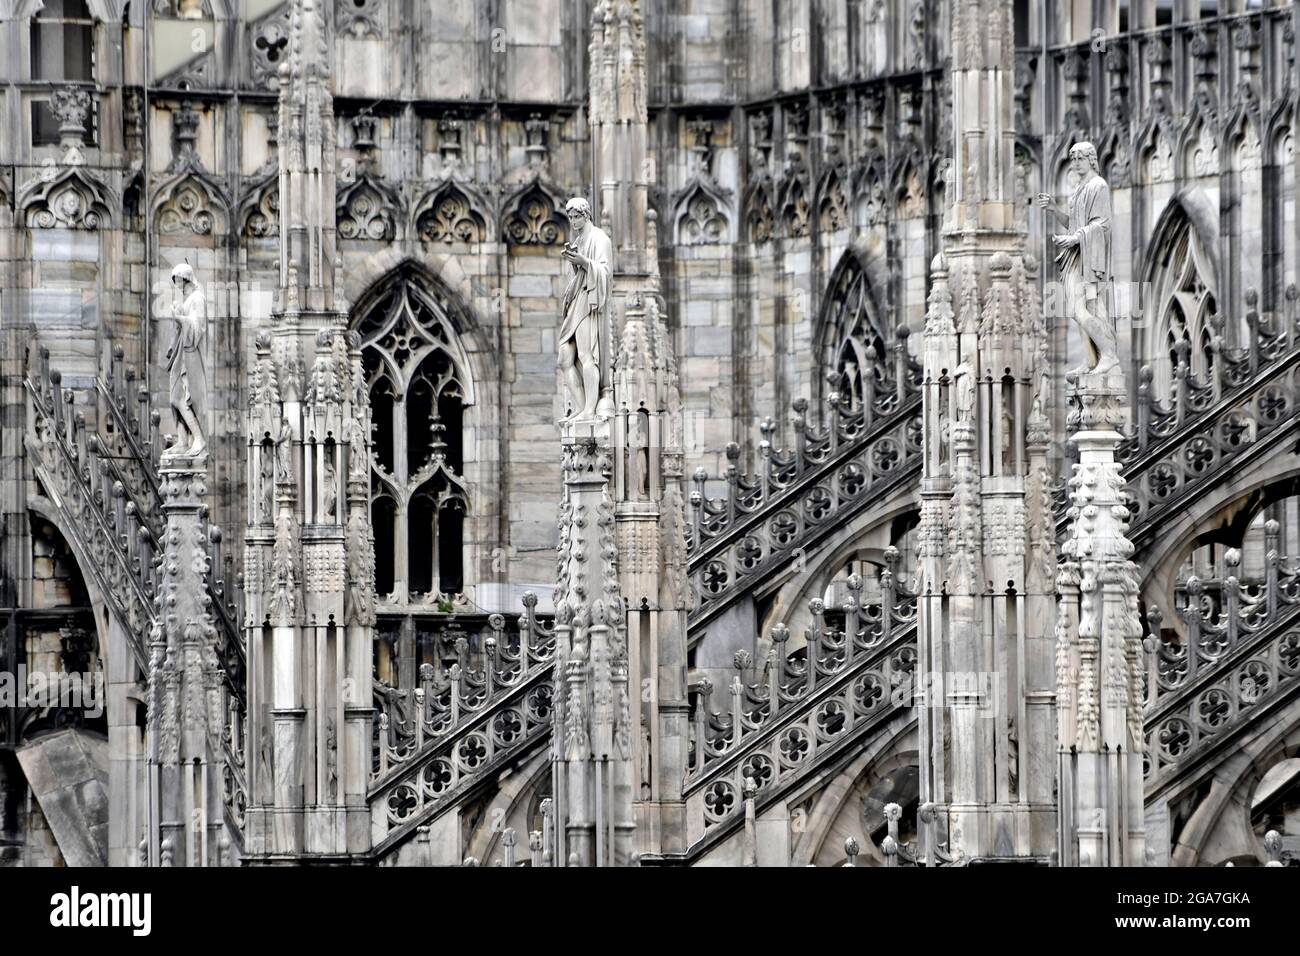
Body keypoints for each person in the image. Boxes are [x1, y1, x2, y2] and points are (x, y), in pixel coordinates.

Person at [1036, 142, 1120, 378]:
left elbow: (1102, 224)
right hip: (1077, 256)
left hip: (1090, 259)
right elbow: (1075, 224)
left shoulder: (1098, 186)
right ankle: (1092, 360)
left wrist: (1074, 239)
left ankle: (1109, 355)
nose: (1074, 163)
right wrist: (1054, 209)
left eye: (1079, 158)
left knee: (1084, 309)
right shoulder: (1079, 189)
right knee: (1077, 310)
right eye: (1072, 159)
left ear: (1091, 160)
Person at [557, 198, 612, 421]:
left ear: (586, 215)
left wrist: (584, 261)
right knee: (564, 357)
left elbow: (605, 271)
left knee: (586, 354)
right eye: (570, 217)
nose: (572, 221)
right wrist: (575, 261)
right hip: (577, 299)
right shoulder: (579, 240)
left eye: (576, 217)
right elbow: (575, 277)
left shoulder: (600, 238)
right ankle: (582, 408)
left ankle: (590, 410)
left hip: (590, 300)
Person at [160, 262, 208, 456]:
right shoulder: (188, 300)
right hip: (180, 353)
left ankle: (198, 438)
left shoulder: (197, 299)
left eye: (178, 280)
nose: (177, 284)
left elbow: (198, 328)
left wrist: (179, 317)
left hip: (190, 356)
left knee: (182, 398)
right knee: (174, 398)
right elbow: (181, 329)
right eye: (175, 280)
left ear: (186, 279)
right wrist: (172, 347)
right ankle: (182, 440)